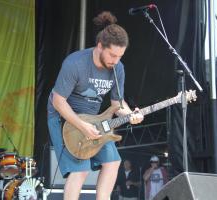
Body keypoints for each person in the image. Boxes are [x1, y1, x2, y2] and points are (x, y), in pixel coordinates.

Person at [47, 11, 144, 200]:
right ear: (100, 46)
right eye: (112, 55)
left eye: (120, 56)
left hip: (94, 119)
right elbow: (58, 101)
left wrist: (131, 114)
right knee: (80, 170)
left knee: (113, 162)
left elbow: (117, 104)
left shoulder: (118, 68)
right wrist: (82, 126)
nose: (115, 61)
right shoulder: (75, 64)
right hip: (63, 115)